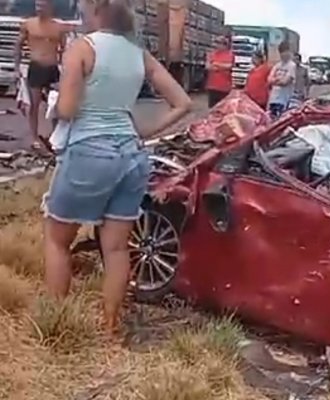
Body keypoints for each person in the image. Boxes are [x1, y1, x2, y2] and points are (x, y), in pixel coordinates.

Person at [43, 0, 191, 335]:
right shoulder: (139, 54)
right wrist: (143, 131)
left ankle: (54, 325)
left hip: (89, 152)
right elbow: (181, 103)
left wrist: (60, 99)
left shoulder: (83, 48)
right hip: (131, 156)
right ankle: (110, 328)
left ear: (95, 10)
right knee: (116, 248)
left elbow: (66, 110)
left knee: (56, 240)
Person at [14, 0, 73, 151]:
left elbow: (64, 49)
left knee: (54, 105)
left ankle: (54, 136)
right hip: (36, 67)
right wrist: (17, 67)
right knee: (34, 105)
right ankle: (34, 137)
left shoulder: (58, 27)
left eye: (42, 6)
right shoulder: (29, 24)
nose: (39, 9)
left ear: (50, 7)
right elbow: (18, 46)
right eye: (37, 6)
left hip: (52, 68)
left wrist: (65, 69)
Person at [267, 42, 296, 119]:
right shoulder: (277, 65)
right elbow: (269, 80)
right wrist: (278, 80)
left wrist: (275, 80)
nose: (284, 55)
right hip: (273, 98)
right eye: (282, 52)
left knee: (280, 118)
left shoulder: (292, 66)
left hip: (284, 99)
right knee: (271, 118)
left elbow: (285, 81)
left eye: (286, 52)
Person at [206, 35, 234, 108]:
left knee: (222, 108)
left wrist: (216, 64)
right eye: (216, 43)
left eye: (218, 43)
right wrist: (221, 67)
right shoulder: (212, 54)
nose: (216, 45)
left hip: (224, 88)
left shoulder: (230, 55)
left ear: (224, 45)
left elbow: (229, 66)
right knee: (212, 108)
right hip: (212, 86)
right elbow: (208, 66)